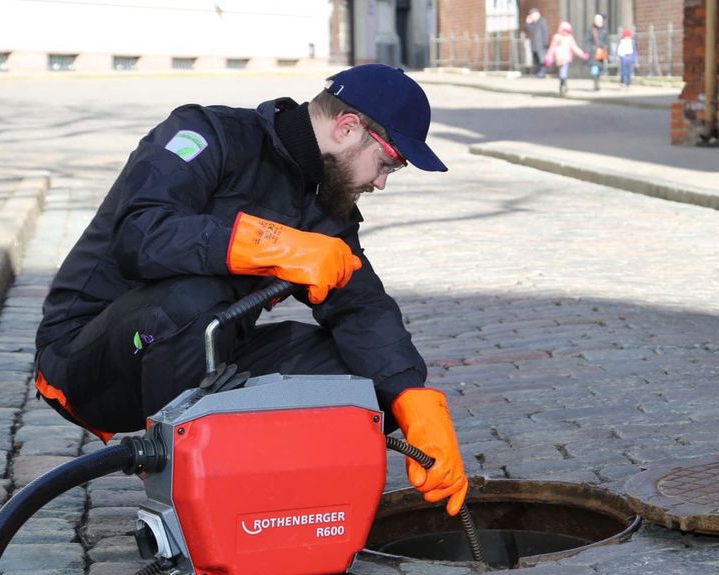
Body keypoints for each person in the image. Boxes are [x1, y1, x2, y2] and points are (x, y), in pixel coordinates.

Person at [33, 64, 469, 516]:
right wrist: (274, 244)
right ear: (346, 128)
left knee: (367, 382)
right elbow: (142, 234)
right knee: (194, 300)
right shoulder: (208, 134)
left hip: (207, 355)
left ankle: (276, 502)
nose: (380, 182)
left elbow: (361, 307)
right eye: (387, 163)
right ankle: (191, 496)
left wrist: (409, 395)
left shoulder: (324, 203)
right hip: (92, 362)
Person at [545, 21, 589, 96]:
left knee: (563, 71)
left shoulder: (569, 38)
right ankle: (563, 85)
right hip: (559, 58)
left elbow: (574, 47)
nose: (566, 32)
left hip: (566, 58)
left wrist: (582, 54)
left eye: (567, 31)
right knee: (562, 72)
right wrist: (549, 57)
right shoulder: (557, 37)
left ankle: (563, 85)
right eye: (564, 30)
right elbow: (552, 48)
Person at [586, 14, 609, 91]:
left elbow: (607, 41)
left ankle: (597, 81)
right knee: (594, 68)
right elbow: (587, 41)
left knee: (600, 68)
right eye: (597, 21)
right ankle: (595, 84)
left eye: (600, 21)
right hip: (593, 52)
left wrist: (606, 48)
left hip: (601, 52)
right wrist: (589, 49)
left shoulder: (604, 30)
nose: (599, 22)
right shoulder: (591, 30)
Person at [525, 8, 549, 78]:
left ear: (537, 14)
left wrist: (545, 43)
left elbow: (545, 32)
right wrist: (528, 23)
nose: (532, 16)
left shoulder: (542, 21)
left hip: (541, 44)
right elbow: (529, 30)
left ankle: (542, 72)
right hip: (534, 44)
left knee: (541, 59)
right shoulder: (532, 23)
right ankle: (538, 72)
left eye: (533, 15)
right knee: (536, 59)